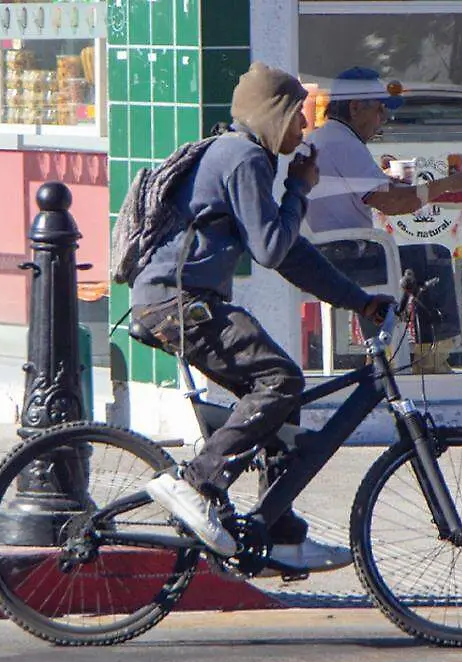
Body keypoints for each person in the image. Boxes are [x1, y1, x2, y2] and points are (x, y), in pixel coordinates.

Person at [133, 62, 392, 572]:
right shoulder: (243, 157)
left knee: (278, 405)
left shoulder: (245, 156)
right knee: (278, 380)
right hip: (176, 303)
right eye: (300, 117)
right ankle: (196, 483)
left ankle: (278, 535)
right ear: (276, 114)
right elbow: (273, 249)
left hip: (184, 302)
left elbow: (289, 251)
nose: (305, 130)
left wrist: (357, 299)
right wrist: (299, 189)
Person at [304, 67, 462, 373]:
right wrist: (446, 185)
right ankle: (429, 361)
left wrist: (390, 180)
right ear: (355, 107)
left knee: (399, 257)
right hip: (341, 257)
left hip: (322, 254)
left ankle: (384, 356)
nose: (384, 118)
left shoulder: (327, 138)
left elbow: (378, 191)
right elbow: (395, 203)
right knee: (432, 256)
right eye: (379, 109)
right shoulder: (343, 144)